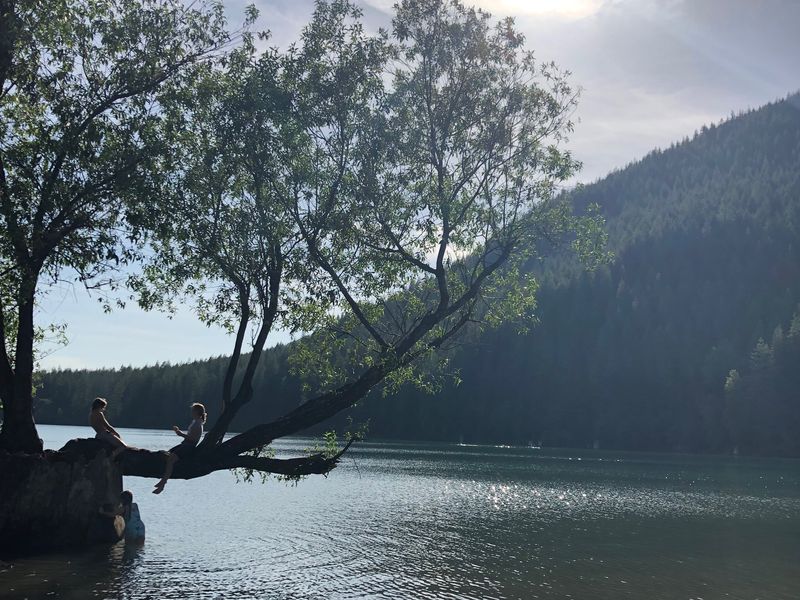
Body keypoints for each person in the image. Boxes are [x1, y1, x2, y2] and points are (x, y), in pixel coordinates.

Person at [153, 402, 206, 494]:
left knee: (170, 460)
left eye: (193, 411)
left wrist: (180, 434)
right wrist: (180, 433)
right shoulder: (195, 422)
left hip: (188, 447)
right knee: (166, 455)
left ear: (197, 412)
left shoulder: (198, 423)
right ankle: (162, 481)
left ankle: (163, 483)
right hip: (184, 445)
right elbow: (190, 436)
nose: (191, 412)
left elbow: (193, 439)